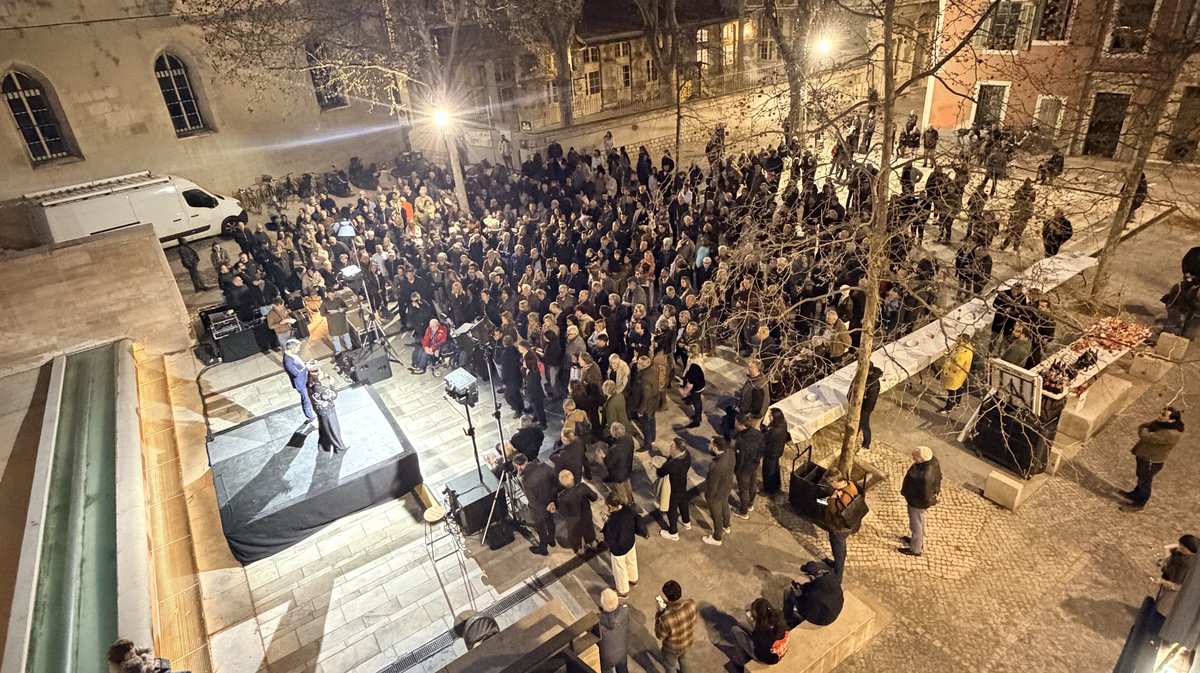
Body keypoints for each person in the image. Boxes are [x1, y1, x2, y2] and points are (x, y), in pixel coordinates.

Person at [1121, 407, 1185, 511]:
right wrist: (1146, 428)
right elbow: (1144, 426)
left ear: (1172, 420)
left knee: (1145, 481)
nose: (1159, 416)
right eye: (1161, 413)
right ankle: (1135, 494)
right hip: (1144, 456)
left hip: (1151, 460)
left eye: (1163, 414)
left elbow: (1146, 435)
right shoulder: (1161, 424)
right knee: (1141, 476)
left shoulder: (1170, 433)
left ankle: (1139, 504)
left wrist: (1146, 429)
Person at [898, 446, 941, 556]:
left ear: (922, 460)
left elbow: (925, 494)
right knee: (919, 521)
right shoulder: (933, 462)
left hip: (917, 502)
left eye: (915, 458)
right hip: (918, 501)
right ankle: (917, 541)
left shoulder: (924, 476)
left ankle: (915, 548)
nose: (913, 459)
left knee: (916, 524)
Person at [514, 454, 559, 555]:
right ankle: (552, 540)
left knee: (540, 527)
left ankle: (543, 548)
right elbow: (555, 481)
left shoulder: (526, 480)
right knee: (550, 521)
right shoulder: (543, 466)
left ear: (519, 466)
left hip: (539, 509)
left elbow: (532, 500)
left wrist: (543, 509)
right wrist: (552, 502)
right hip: (550, 502)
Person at [782, 561, 845, 627]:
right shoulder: (832, 578)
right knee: (801, 592)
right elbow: (813, 585)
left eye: (806, 575)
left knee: (788, 592)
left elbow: (809, 615)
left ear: (811, 576)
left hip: (824, 619)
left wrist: (799, 597)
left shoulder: (815, 596)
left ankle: (788, 620)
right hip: (835, 608)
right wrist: (802, 587)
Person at [654, 580, 699, 673]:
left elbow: (660, 636)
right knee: (683, 659)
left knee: (670, 666)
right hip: (687, 641)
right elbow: (694, 621)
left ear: (667, 596)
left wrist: (658, 614)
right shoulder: (691, 604)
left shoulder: (665, 618)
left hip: (672, 648)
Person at [732, 597, 790, 666]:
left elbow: (755, 642)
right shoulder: (780, 618)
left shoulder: (761, 632)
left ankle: (741, 662)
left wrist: (751, 622)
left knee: (735, 630)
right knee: (742, 626)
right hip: (779, 650)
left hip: (766, 658)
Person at [822, 469, 859, 578]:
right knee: (839, 548)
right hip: (844, 526)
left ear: (834, 482)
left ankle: (838, 575)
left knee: (839, 549)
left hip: (839, 528)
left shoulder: (844, 496)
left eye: (830, 483)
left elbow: (836, 512)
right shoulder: (850, 484)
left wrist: (832, 500)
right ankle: (837, 565)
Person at [602, 492, 640, 597]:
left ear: (610, 506)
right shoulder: (627, 509)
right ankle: (633, 579)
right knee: (631, 561)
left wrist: (606, 521)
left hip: (619, 548)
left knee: (620, 569)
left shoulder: (612, 520)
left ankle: (623, 591)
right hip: (630, 541)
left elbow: (609, 536)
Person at [701, 436, 736, 546]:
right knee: (725, 505)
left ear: (715, 448)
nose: (709, 445)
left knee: (716, 514)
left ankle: (717, 537)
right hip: (727, 486)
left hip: (716, 493)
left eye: (711, 444)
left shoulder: (716, 466)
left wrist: (708, 496)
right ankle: (727, 525)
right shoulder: (730, 453)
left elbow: (712, 485)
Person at [1154, 534, 1198, 617]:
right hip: (1180, 603)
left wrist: (1163, 581)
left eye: (1180, 545)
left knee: (1158, 618)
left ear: (1185, 548)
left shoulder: (1185, 563)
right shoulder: (1191, 560)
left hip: (1171, 602)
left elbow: (1179, 586)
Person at [556, 469, 598, 555]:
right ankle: (593, 542)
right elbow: (594, 497)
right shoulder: (582, 487)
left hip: (573, 519)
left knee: (575, 534)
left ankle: (579, 549)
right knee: (589, 527)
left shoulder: (562, 496)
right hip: (586, 514)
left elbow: (563, 512)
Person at [657, 438, 693, 540]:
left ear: (677, 450)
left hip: (673, 489)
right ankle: (686, 522)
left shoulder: (673, 464)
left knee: (671, 509)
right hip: (682, 485)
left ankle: (673, 532)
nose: (670, 448)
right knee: (683, 503)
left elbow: (660, 472)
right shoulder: (687, 455)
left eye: (672, 446)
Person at [308, 368, 348, 453]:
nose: (323, 372)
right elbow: (333, 395)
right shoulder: (319, 388)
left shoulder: (310, 385)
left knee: (324, 429)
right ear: (316, 377)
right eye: (321, 373)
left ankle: (324, 446)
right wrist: (331, 384)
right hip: (328, 411)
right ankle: (340, 448)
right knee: (333, 429)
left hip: (320, 410)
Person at [732, 414, 765, 519]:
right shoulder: (758, 434)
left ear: (741, 425)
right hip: (754, 464)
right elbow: (762, 448)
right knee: (752, 484)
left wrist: (736, 469)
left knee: (743, 489)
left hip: (744, 468)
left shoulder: (742, 441)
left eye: (736, 423)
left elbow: (740, 459)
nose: (735, 424)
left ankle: (743, 511)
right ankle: (750, 504)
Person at [282, 339, 316, 426]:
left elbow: (299, 365)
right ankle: (311, 417)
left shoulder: (293, 355)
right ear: (292, 348)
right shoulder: (287, 361)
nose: (299, 349)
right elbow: (295, 373)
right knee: (306, 400)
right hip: (300, 383)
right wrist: (306, 368)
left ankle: (312, 413)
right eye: (298, 347)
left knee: (308, 397)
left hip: (304, 379)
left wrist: (306, 364)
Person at [598, 588, 631, 673]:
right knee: (623, 669)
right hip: (622, 651)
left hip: (605, 657)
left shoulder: (598, 622)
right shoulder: (625, 612)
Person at [939, 334, 974, 414]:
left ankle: (948, 408)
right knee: (959, 387)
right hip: (962, 374)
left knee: (951, 391)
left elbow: (956, 367)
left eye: (959, 340)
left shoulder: (961, 355)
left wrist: (948, 359)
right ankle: (958, 402)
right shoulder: (968, 349)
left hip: (954, 376)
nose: (956, 341)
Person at [634, 355, 662, 452]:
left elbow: (646, 396)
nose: (639, 366)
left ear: (647, 364)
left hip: (646, 405)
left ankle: (647, 444)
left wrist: (641, 410)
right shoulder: (654, 369)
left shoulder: (644, 377)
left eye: (642, 364)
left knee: (645, 423)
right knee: (652, 419)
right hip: (654, 402)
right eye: (638, 363)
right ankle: (652, 436)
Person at [603, 422, 636, 505]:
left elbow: (609, 463)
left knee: (621, 491)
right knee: (627, 483)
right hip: (627, 468)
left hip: (618, 474)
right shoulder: (629, 438)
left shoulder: (615, 449)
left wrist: (602, 457)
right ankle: (631, 500)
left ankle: (626, 505)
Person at [762, 408, 789, 494]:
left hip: (771, 452)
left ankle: (769, 489)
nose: (769, 417)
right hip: (777, 450)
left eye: (770, 416)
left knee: (768, 470)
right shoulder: (783, 424)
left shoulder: (774, 430)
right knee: (775, 468)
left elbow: (765, 439)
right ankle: (776, 484)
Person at [680, 345, 706, 428]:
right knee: (696, 400)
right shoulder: (695, 359)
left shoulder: (695, 365)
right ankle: (697, 415)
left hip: (697, 386)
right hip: (698, 383)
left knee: (697, 402)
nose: (687, 353)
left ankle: (697, 419)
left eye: (689, 352)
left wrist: (686, 386)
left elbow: (692, 378)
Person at [857, 365, 882, 452]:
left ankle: (866, 445)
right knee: (858, 421)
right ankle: (855, 434)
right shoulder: (869, 379)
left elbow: (871, 398)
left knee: (864, 424)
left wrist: (864, 408)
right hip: (862, 405)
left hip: (866, 407)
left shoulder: (873, 383)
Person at [319, 288, 352, 354]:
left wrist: (342, 309)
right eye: (329, 295)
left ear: (334, 293)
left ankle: (349, 347)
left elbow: (346, 308)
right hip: (332, 322)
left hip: (341, 320)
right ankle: (338, 350)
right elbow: (322, 314)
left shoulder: (339, 300)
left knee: (346, 334)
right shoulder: (324, 303)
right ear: (327, 294)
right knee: (335, 337)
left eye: (332, 294)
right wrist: (329, 313)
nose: (331, 296)